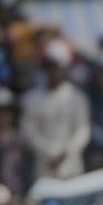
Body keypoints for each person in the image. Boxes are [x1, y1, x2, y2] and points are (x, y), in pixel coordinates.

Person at [21, 40, 91, 180]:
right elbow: (29, 132)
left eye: (59, 67)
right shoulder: (31, 98)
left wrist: (68, 150)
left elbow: (83, 129)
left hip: (72, 167)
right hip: (44, 167)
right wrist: (51, 151)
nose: (55, 72)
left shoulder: (76, 96)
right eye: (50, 67)